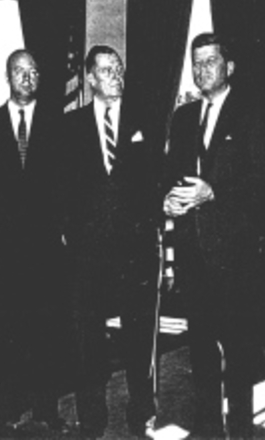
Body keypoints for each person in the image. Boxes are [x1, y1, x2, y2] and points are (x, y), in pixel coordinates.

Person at [163, 33, 265, 439]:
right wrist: (170, 202)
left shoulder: (252, 114)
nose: (202, 69)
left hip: (236, 256)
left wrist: (214, 192)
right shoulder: (182, 117)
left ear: (229, 67)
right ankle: (208, 427)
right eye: (196, 63)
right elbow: (171, 175)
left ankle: (242, 430)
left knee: (240, 350)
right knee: (200, 350)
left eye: (210, 61)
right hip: (194, 253)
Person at [0, 49, 71, 436]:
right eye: (19, 72)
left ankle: (46, 409)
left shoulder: (57, 123)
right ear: (7, 78)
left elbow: (67, 185)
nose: (27, 78)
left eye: (33, 71)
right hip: (3, 248)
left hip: (46, 249)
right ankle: (8, 409)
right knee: (5, 331)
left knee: (46, 330)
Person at [61, 45, 161, 439]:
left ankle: (141, 413)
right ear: (89, 77)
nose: (116, 75)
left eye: (118, 68)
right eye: (106, 70)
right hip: (88, 256)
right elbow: (62, 189)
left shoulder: (145, 120)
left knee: (139, 339)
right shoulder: (70, 126)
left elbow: (156, 178)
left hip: (135, 253)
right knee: (88, 340)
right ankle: (91, 418)